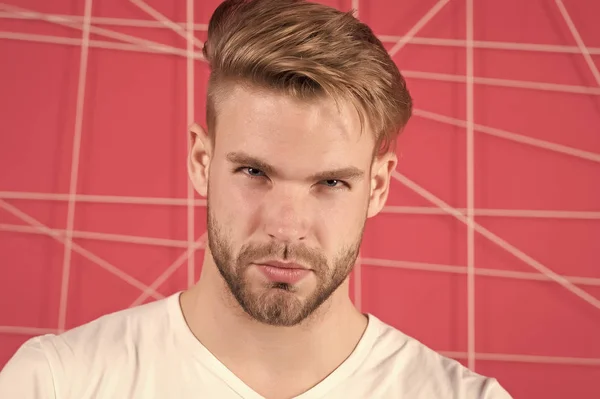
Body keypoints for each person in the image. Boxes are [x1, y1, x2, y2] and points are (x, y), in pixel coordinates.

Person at [0, 0, 512, 397]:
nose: (287, 227)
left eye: (331, 183)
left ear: (377, 186)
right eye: (253, 172)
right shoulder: (54, 384)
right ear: (202, 161)